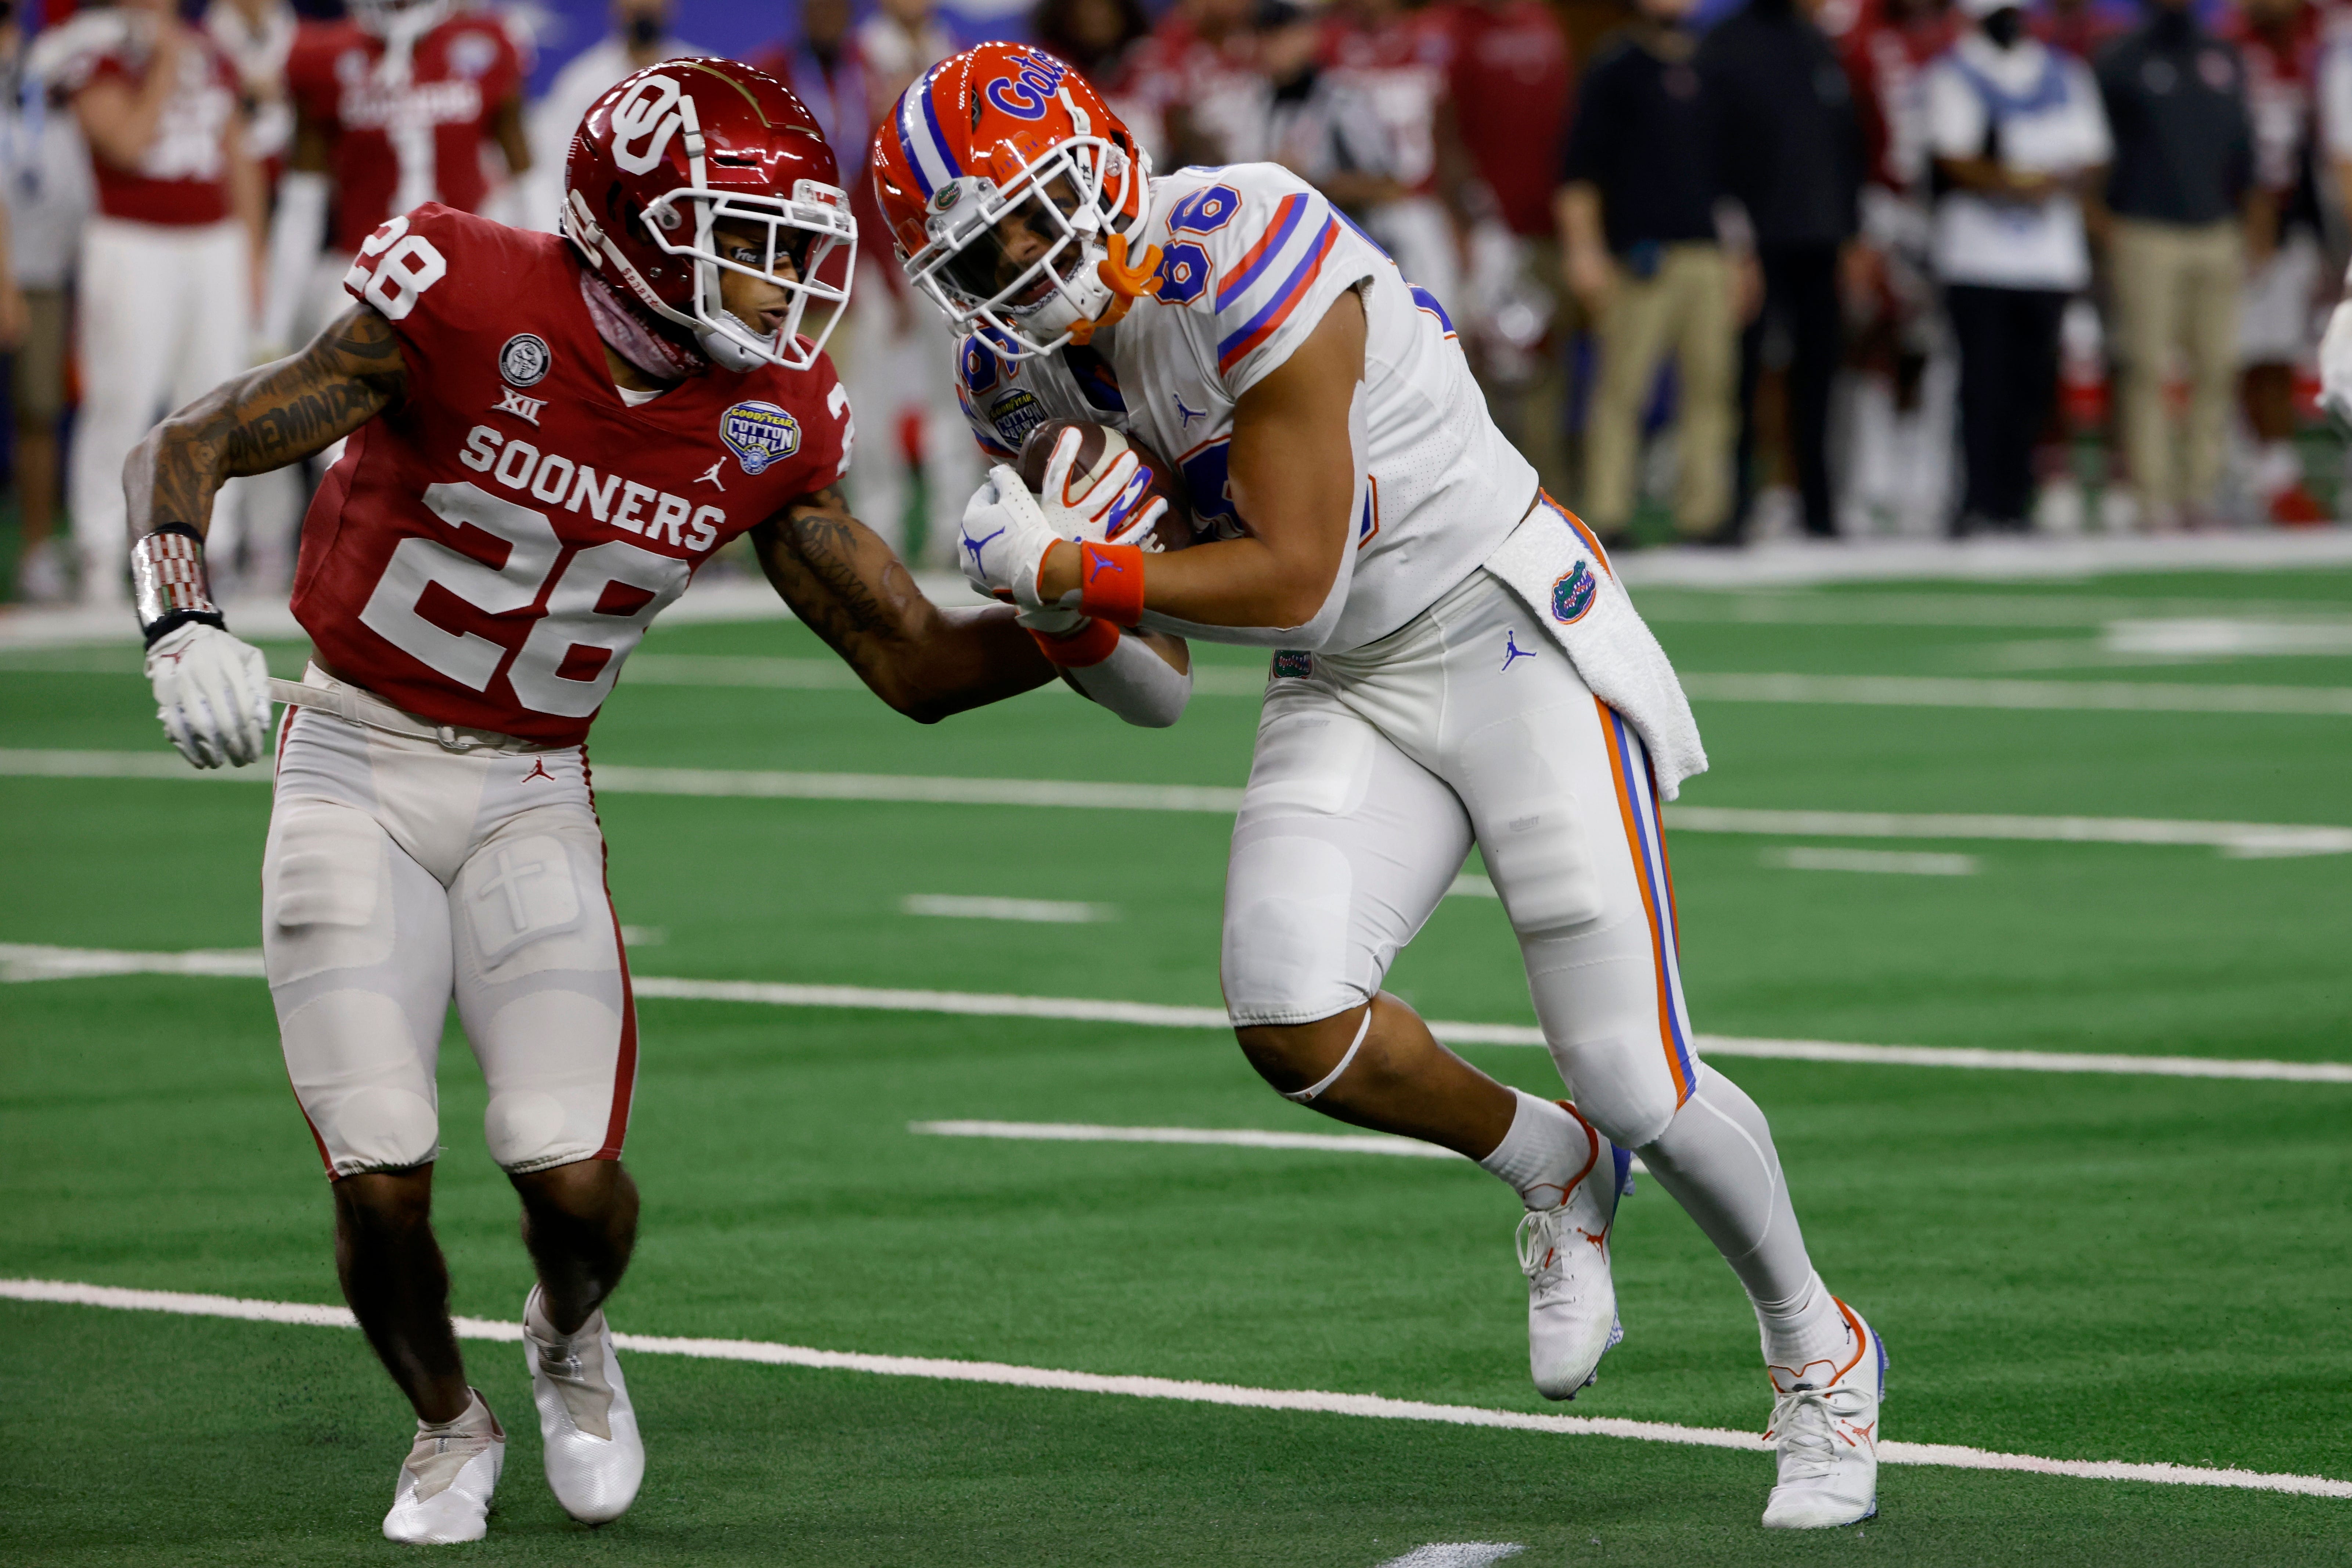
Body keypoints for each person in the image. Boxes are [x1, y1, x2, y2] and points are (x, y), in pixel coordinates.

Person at [883, 41, 1884, 1529]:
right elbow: (1155, 688)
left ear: (1098, 159)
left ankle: (1817, 1342)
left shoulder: (1246, 234)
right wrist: (1064, 612)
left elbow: (1293, 567)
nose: (1021, 266)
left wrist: (1074, 561)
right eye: (984, 250)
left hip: (1499, 626)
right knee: (1287, 1008)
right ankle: (1550, 1163)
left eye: (1033, 216)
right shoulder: (1008, 371)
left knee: (1634, 1067)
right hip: (1348, 674)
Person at [116, 58, 1113, 1544]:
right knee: (381, 1166)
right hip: (352, 754)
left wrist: (1085, 606)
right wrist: (180, 613)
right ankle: (447, 1424)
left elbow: (909, 663)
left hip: (533, 785)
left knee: (575, 1181)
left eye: (791, 242)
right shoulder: (463, 293)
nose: (785, 281)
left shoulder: (770, 418)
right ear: (638, 227)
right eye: (748, 237)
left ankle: (570, 1332)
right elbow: (183, 443)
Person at [59, 0, 264, 606]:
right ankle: (100, 549)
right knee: (122, 395)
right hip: (132, 238)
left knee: (215, 399)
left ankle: (212, 546)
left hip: (213, 240)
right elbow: (126, 142)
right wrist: (166, 67)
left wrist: (254, 253)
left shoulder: (213, 49)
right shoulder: (95, 50)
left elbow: (239, 156)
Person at [1557, 0, 1740, 546]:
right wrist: (1583, 250)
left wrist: (1741, 254)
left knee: (1711, 389)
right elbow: (1579, 171)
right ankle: (1609, 512)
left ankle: (1702, 515)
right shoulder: (1615, 68)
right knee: (1621, 389)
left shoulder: (1711, 66)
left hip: (1707, 253)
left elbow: (1730, 175)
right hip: (1638, 255)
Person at [260, 0, 530, 362]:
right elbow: (302, 204)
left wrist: (543, 284)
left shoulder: (486, 42)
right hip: (363, 273)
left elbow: (527, 179)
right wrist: (272, 329)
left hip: (468, 269)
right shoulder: (323, 56)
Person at [1698, 0, 1867, 540]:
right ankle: (1733, 504)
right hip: (1752, 239)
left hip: (1818, 239)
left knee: (1819, 377)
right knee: (1739, 378)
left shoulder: (1816, 42)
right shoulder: (1723, 43)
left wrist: (1851, 233)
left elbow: (1845, 144)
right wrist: (1730, 236)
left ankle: (1818, 505)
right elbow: (1709, 148)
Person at [2095, 0, 2254, 529]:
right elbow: (2092, 149)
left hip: (2216, 228)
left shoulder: (2222, 57)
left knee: (2216, 366)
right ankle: (2151, 496)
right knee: (2144, 366)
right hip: (2144, 228)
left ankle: (2199, 492)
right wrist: (2100, 221)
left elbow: (2244, 149)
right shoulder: (2119, 59)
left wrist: (2250, 223)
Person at [1443, 0, 1574, 501]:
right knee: (1477, 366)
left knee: (1542, 358)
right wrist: (1461, 223)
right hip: (1482, 230)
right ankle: (1484, 499)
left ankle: (1550, 494)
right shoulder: (1451, 29)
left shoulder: (1543, 20)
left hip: (1542, 226)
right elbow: (1442, 130)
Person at [2225, 0, 2326, 525]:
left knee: (2279, 351)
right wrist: (2250, 221)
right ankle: (2246, 474)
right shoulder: (2231, 53)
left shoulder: (2316, 45)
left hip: (2296, 223)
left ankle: (2276, 472)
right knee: (2237, 353)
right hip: (2238, 223)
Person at [3, 9, 92, 602]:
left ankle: (37, 552)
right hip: (16, 272)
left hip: (43, 273)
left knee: (41, 413)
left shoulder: (46, 90)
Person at [1321, 0, 1473, 317]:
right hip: (1354, 213)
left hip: (1420, 205)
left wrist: (1458, 216)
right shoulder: (1328, 42)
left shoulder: (1433, 36)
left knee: (1439, 318)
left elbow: (1447, 136)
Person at [524, 0, 705, 234]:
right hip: (608, 227)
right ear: (615, 8)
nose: (643, 7)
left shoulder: (700, 77)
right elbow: (558, 170)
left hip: (691, 222)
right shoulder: (582, 84)